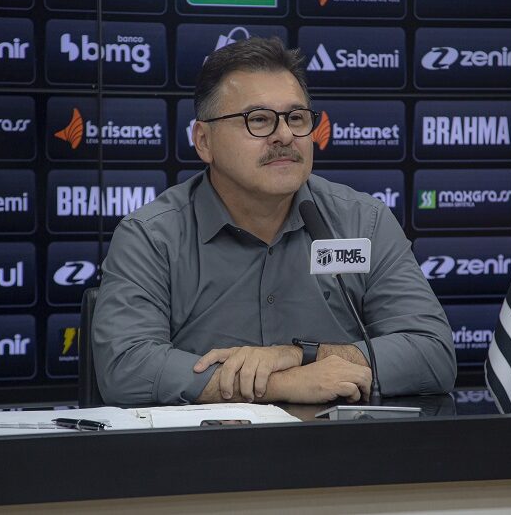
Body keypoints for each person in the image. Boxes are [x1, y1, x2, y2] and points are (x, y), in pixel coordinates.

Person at [92, 37, 456, 406]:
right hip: (209, 443)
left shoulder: (364, 222)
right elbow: (125, 368)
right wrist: (280, 384)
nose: (284, 135)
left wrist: (302, 355)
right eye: (259, 120)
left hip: (340, 442)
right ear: (204, 141)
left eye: (296, 118)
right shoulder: (151, 237)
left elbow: (432, 353)